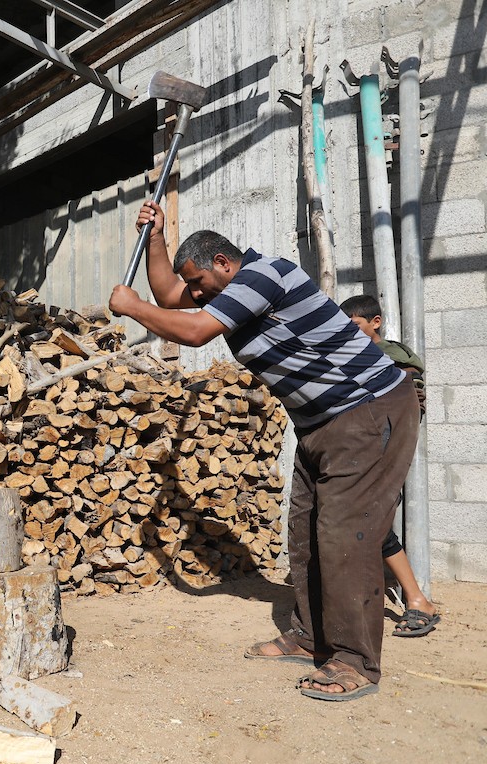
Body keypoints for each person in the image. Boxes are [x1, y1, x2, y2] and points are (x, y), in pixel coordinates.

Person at [108, 201, 420, 702]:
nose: (194, 294)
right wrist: (157, 237)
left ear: (224, 264)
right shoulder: (226, 288)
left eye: (199, 283)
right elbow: (168, 294)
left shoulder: (264, 275)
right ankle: (311, 636)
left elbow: (192, 331)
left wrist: (132, 308)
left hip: (367, 409)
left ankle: (355, 660)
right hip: (321, 424)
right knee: (305, 533)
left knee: (347, 534)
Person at [338, 294, 439, 637]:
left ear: (375, 322)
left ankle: (418, 600)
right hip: (358, 452)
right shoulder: (353, 356)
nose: (349, 331)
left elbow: (403, 411)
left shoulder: (393, 360)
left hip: (381, 454)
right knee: (364, 524)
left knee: (376, 523)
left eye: (355, 325)